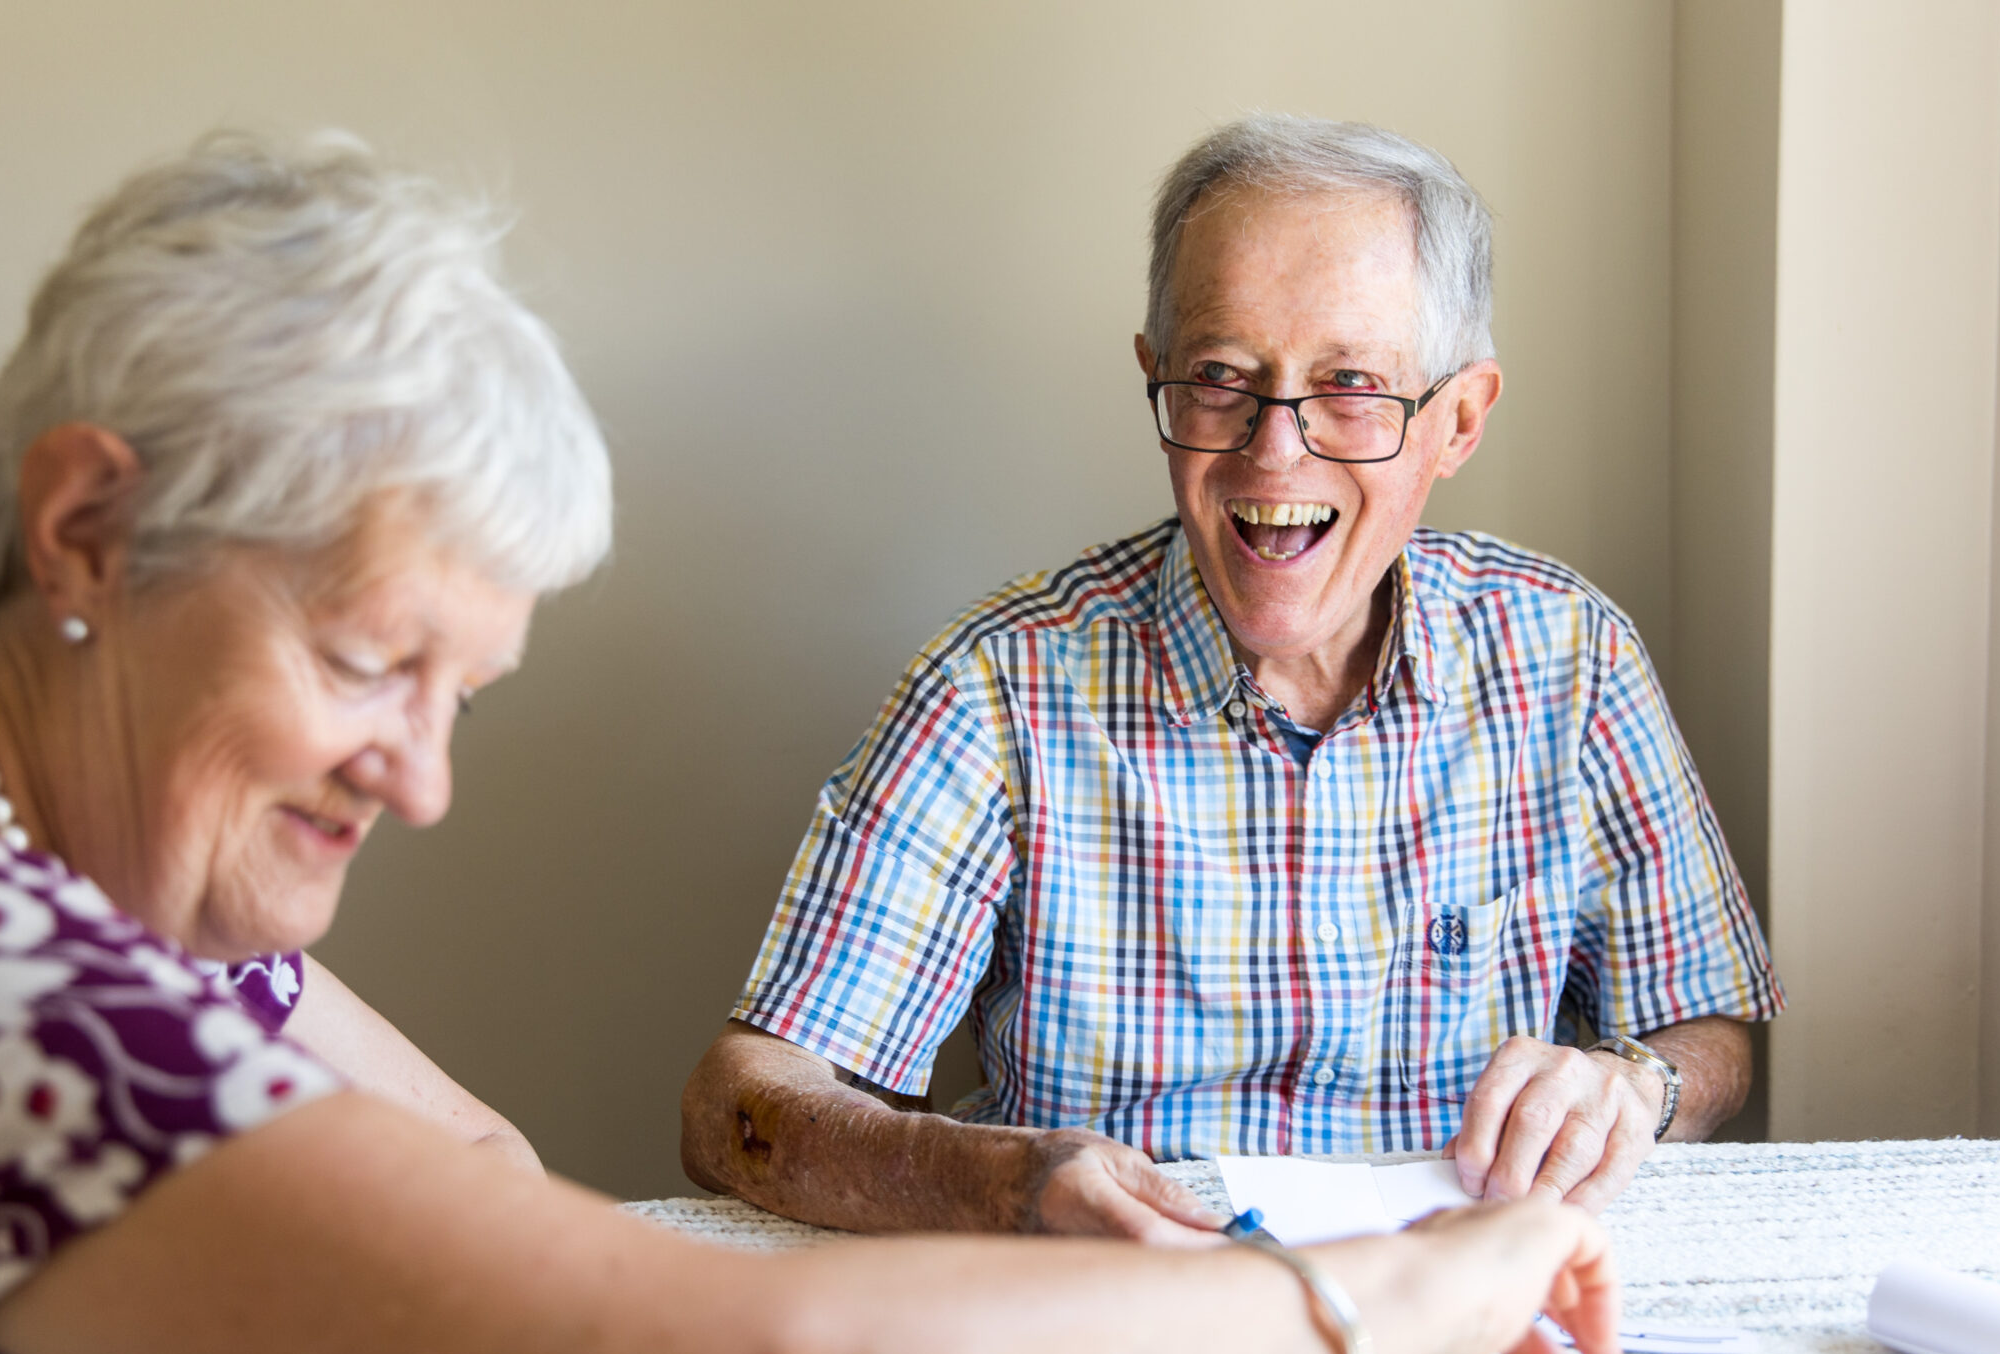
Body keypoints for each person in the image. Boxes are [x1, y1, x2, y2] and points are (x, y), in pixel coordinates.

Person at [0, 133, 1619, 1354]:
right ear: (88, 529)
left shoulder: (73, 873)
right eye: (360, 662)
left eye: (459, 696)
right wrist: (1405, 1287)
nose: (421, 787)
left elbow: (478, 1159)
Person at [684, 115, 1781, 1242]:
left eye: (1350, 385)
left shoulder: (1569, 656)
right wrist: (995, 1181)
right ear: (1156, 381)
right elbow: (738, 1105)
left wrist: (1637, 1085)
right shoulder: (996, 689)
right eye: (1220, 378)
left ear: (1457, 421)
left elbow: (1708, 1029)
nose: (1273, 451)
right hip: (1121, 1315)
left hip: (1464, 1295)